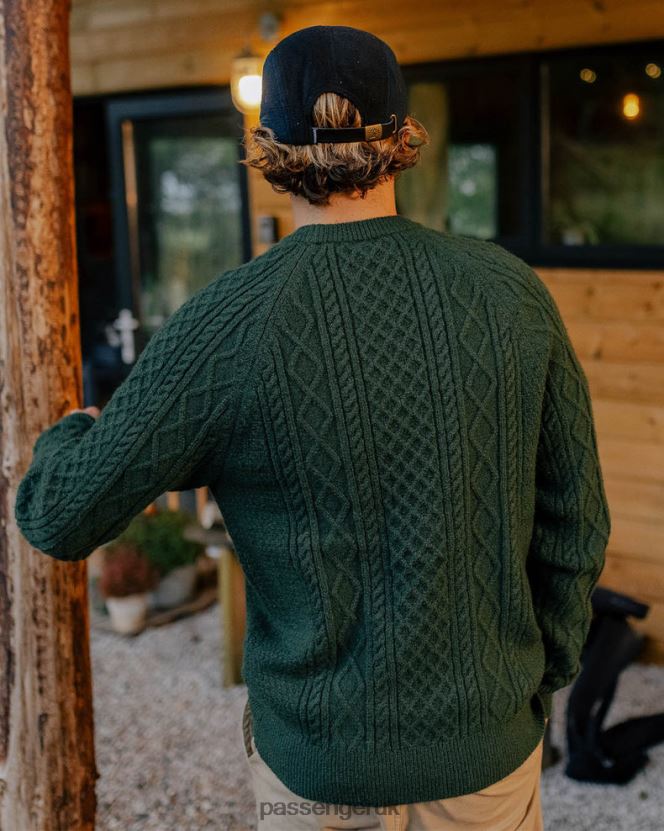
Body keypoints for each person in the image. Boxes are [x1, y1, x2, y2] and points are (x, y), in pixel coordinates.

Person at [14, 24, 611, 831]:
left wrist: (69, 434)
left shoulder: (226, 324)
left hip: (315, 770)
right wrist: (538, 677)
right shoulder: (509, 293)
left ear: (269, 148)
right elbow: (577, 520)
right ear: (403, 137)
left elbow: (56, 513)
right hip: (487, 757)